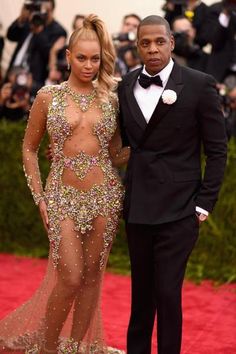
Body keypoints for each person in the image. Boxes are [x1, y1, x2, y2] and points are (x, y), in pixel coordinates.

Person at [0, 14, 129, 354]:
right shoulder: (48, 96)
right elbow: (29, 148)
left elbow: (115, 153)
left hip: (105, 195)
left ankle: (76, 348)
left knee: (91, 278)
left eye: (95, 59)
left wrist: (154, 144)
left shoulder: (112, 98)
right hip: (60, 197)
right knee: (71, 276)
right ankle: (46, 347)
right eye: (82, 58)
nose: (89, 65)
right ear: (68, 56)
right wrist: (40, 198)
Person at [118, 15, 227, 354]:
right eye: (145, 43)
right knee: (141, 296)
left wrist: (203, 204)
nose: (153, 49)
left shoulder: (198, 84)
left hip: (180, 209)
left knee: (167, 293)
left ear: (171, 42)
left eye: (159, 42)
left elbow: (217, 150)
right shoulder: (125, 84)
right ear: (137, 46)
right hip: (139, 209)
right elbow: (119, 144)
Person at [6, 0, 67, 95]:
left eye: (47, 10)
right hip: (12, 73)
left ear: (52, 11)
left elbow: (50, 55)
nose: (43, 13)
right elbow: (10, 36)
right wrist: (21, 18)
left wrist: (39, 32)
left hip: (33, 82)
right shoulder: (29, 20)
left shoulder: (58, 31)